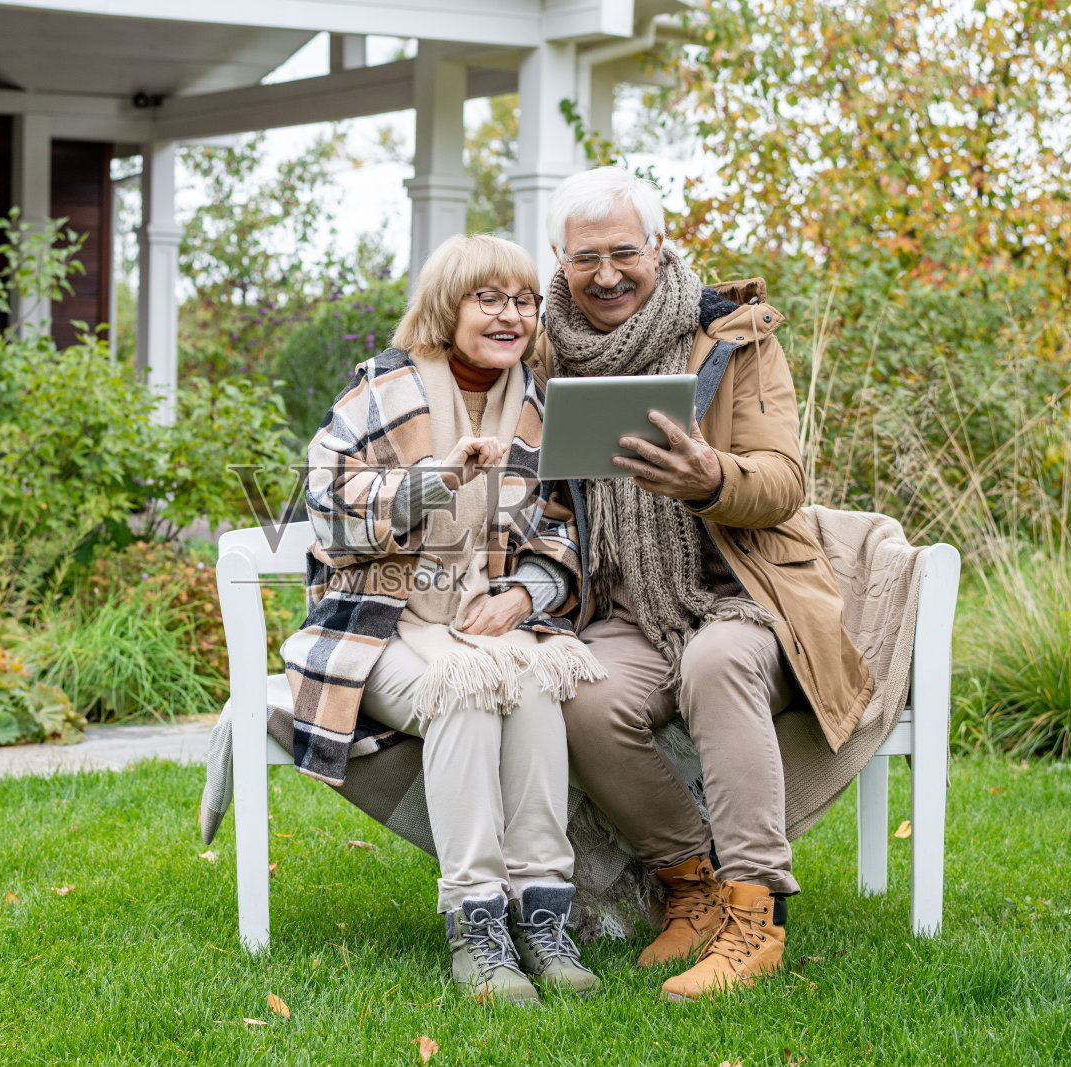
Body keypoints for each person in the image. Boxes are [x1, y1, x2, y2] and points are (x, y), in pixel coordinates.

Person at [536, 167, 875, 1002]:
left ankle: (758, 914)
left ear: (659, 248)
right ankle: (690, 886)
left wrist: (709, 475)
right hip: (630, 603)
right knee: (579, 690)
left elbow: (782, 481)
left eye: (625, 252)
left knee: (716, 662)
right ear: (559, 258)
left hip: (745, 591)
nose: (607, 274)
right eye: (587, 258)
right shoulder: (546, 351)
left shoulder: (736, 339)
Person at [282, 234, 604, 1005]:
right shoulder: (379, 391)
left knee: (528, 684)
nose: (511, 315)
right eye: (488, 299)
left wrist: (524, 593)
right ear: (447, 306)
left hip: (483, 619)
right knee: (465, 688)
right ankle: (476, 922)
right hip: (377, 623)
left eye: (524, 301)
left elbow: (561, 519)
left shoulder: (534, 402)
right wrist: (432, 480)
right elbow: (323, 513)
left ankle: (543, 912)